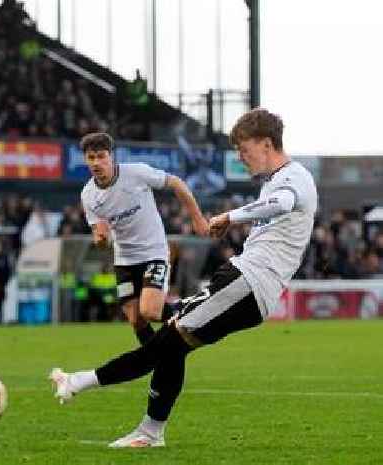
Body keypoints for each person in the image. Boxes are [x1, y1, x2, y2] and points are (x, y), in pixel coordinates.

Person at [50, 109, 318, 448]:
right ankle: (149, 432)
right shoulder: (276, 179)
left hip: (247, 282)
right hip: (245, 285)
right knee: (173, 345)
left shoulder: (293, 178)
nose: (240, 157)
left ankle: (79, 382)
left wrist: (229, 216)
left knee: (165, 342)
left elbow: (282, 203)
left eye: (244, 149)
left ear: (267, 143)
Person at [79, 132, 209, 347]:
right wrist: (101, 239)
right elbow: (99, 234)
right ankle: (158, 359)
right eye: (91, 158)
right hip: (124, 260)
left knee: (149, 311)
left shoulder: (136, 173)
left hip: (154, 253)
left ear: (111, 156)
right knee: (135, 319)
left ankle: (191, 310)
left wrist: (197, 218)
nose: (96, 163)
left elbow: (176, 183)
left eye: (101, 156)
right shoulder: (88, 195)